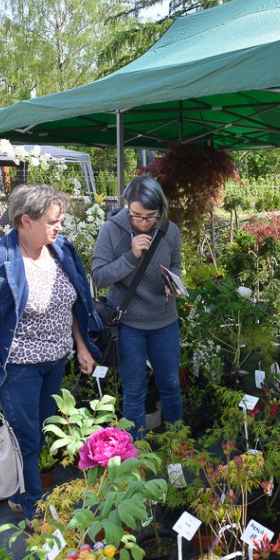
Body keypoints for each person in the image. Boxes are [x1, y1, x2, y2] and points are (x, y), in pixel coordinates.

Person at [0, 185, 100, 519]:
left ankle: (18, 491)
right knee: (25, 438)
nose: (59, 227)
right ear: (26, 220)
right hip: (19, 367)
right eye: (53, 220)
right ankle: (34, 510)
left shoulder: (61, 249)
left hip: (55, 362)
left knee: (41, 429)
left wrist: (81, 346)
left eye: (60, 220)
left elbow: (74, 304)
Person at [92, 176, 183, 435]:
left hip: (164, 322)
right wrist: (130, 256)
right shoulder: (111, 230)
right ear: (126, 206)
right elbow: (98, 276)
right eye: (137, 215)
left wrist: (173, 282)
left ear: (160, 210)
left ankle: (178, 446)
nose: (144, 222)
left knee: (170, 386)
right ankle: (135, 455)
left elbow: (175, 263)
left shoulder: (169, 230)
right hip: (128, 324)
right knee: (134, 392)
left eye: (150, 216)